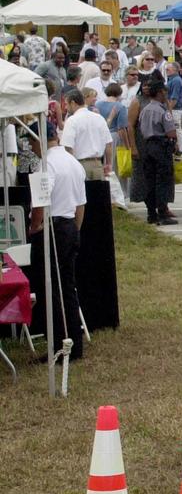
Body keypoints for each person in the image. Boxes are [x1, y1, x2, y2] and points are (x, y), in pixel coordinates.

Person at [33, 128, 87, 359]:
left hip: (53, 227)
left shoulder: (45, 165)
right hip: (70, 226)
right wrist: (75, 229)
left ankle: (58, 344)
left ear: (39, 141)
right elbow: (81, 203)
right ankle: (74, 342)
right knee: (68, 287)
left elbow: (40, 201)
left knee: (50, 289)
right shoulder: (73, 161)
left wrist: (34, 226)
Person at [138, 80, 178, 225]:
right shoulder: (163, 110)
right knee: (163, 179)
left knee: (150, 180)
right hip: (161, 145)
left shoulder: (145, 109)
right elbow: (171, 132)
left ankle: (151, 213)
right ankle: (162, 212)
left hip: (147, 145)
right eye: (165, 92)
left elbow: (142, 128)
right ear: (160, 93)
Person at [61, 88, 114, 182]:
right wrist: (109, 164)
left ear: (73, 103)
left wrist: (72, 167)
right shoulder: (99, 118)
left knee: (82, 196)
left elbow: (68, 147)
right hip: (97, 164)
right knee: (97, 195)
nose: (65, 107)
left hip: (80, 165)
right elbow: (108, 143)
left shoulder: (72, 120)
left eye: (66, 104)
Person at [97, 83, 130, 198]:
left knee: (104, 164)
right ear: (119, 93)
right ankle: (120, 193)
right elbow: (122, 128)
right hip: (115, 136)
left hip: (101, 137)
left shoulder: (98, 104)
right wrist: (127, 145)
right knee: (116, 166)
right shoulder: (120, 107)